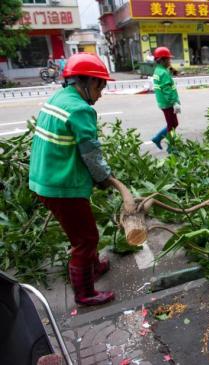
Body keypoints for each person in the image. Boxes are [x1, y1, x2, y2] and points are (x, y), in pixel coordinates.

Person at [29, 53, 116, 306]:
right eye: (100, 87)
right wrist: (105, 178)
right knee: (85, 238)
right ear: (85, 82)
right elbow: (92, 155)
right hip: (61, 185)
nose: (100, 94)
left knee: (83, 227)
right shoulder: (80, 109)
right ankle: (85, 293)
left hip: (45, 178)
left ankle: (94, 266)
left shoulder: (60, 98)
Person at [151, 46, 181, 151]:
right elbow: (167, 90)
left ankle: (159, 138)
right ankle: (170, 147)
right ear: (162, 60)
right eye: (168, 59)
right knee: (172, 125)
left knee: (173, 124)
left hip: (163, 102)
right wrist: (174, 103)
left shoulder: (159, 70)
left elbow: (168, 75)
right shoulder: (163, 73)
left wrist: (172, 70)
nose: (170, 60)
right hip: (168, 103)